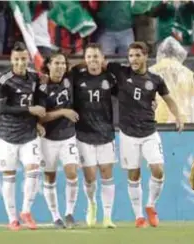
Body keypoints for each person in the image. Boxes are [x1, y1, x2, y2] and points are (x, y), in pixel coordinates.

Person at [106, 42, 184, 228]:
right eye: (131, 55)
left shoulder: (156, 80)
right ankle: (139, 216)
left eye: (137, 55)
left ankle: (150, 205)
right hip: (128, 134)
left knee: (158, 169)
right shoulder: (121, 72)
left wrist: (178, 116)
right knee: (134, 174)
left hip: (149, 131)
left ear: (145, 57)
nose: (133, 59)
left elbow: (169, 99)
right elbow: (100, 64)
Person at [0, 42, 46, 231]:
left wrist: (39, 122)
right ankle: (12, 219)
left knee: (33, 170)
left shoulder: (35, 78)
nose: (20, 63)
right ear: (11, 60)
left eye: (23, 59)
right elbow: (1, 109)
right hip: (6, 134)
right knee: (9, 177)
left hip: (29, 134)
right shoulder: (3, 80)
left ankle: (26, 211)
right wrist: (28, 110)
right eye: (16, 59)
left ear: (28, 59)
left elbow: (40, 103)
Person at [70, 43, 118, 228]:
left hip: (106, 133)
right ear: (85, 60)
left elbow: (125, 96)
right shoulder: (77, 78)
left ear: (102, 59)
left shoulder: (110, 79)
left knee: (107, 174)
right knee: (90, 177)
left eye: (96, 57)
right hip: (83, 133)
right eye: (89, 57)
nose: (93, 60)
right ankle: (91, 204)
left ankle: (107, 217)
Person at [39, 53, 79, 229]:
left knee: (72, 173)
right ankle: (55, 216)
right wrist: (62, 112)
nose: (60, 66)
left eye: (63, 63)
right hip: (48, 139)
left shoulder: (69, 79)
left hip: (68, 136)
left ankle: (69, 213)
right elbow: (41, 116)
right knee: (50, 177)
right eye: (56, 63)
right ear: (48, 65)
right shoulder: (41, 87)